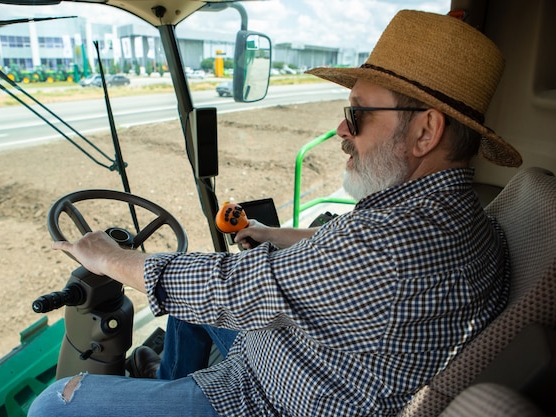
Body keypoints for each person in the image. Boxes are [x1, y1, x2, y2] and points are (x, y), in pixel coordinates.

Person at [28, 9, 522, 417]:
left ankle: (174, 390)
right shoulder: (457, 217)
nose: (342, 130)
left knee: (52, 406)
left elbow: (227, 288)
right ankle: (169, 381)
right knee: (188, 303)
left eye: (357, 113)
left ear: (424, 133)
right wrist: (269, 233)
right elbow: (339, 250)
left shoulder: (390, 247)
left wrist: (109, 259)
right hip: (308, 356)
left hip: (264, 396)